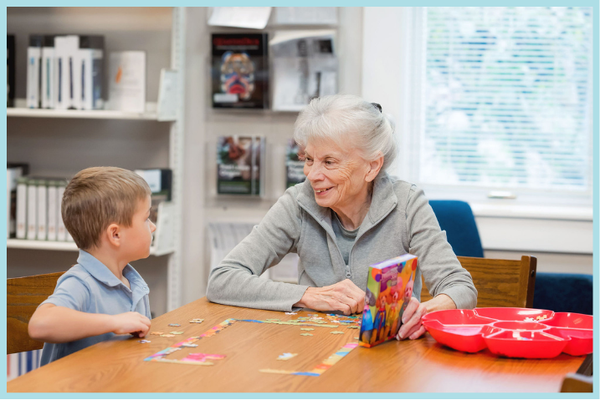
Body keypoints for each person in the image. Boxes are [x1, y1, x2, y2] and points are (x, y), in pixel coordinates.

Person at [207, 94, 477, 341]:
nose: (312, 174)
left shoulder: (407, 203)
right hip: (313, 349)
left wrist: (428, 309)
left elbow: (461, 288)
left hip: (388, 356)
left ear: (372, 166)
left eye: (329, 162)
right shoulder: (297, 203)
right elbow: (223, 279)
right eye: (309, 159)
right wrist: (309, 296)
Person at [28, 167, 155, 365]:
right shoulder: (81, 282)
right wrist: (113, 322)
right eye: (146, 218)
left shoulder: (133, 282)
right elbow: (40, 325)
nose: (153, 226)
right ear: (115, 235)